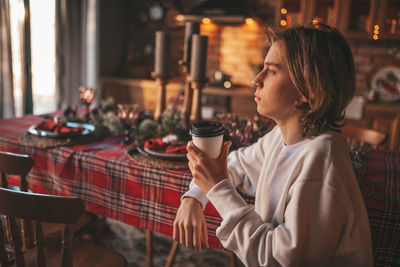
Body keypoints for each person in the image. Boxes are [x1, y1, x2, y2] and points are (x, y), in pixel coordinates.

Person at [173, 24, 373, 266]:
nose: (255, 80)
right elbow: (235, 164)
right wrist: (194, 196)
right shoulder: (280, 137)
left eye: (271, 71)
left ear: (308, 89)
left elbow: (279, 261)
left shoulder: (322, 158)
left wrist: (218, 189)